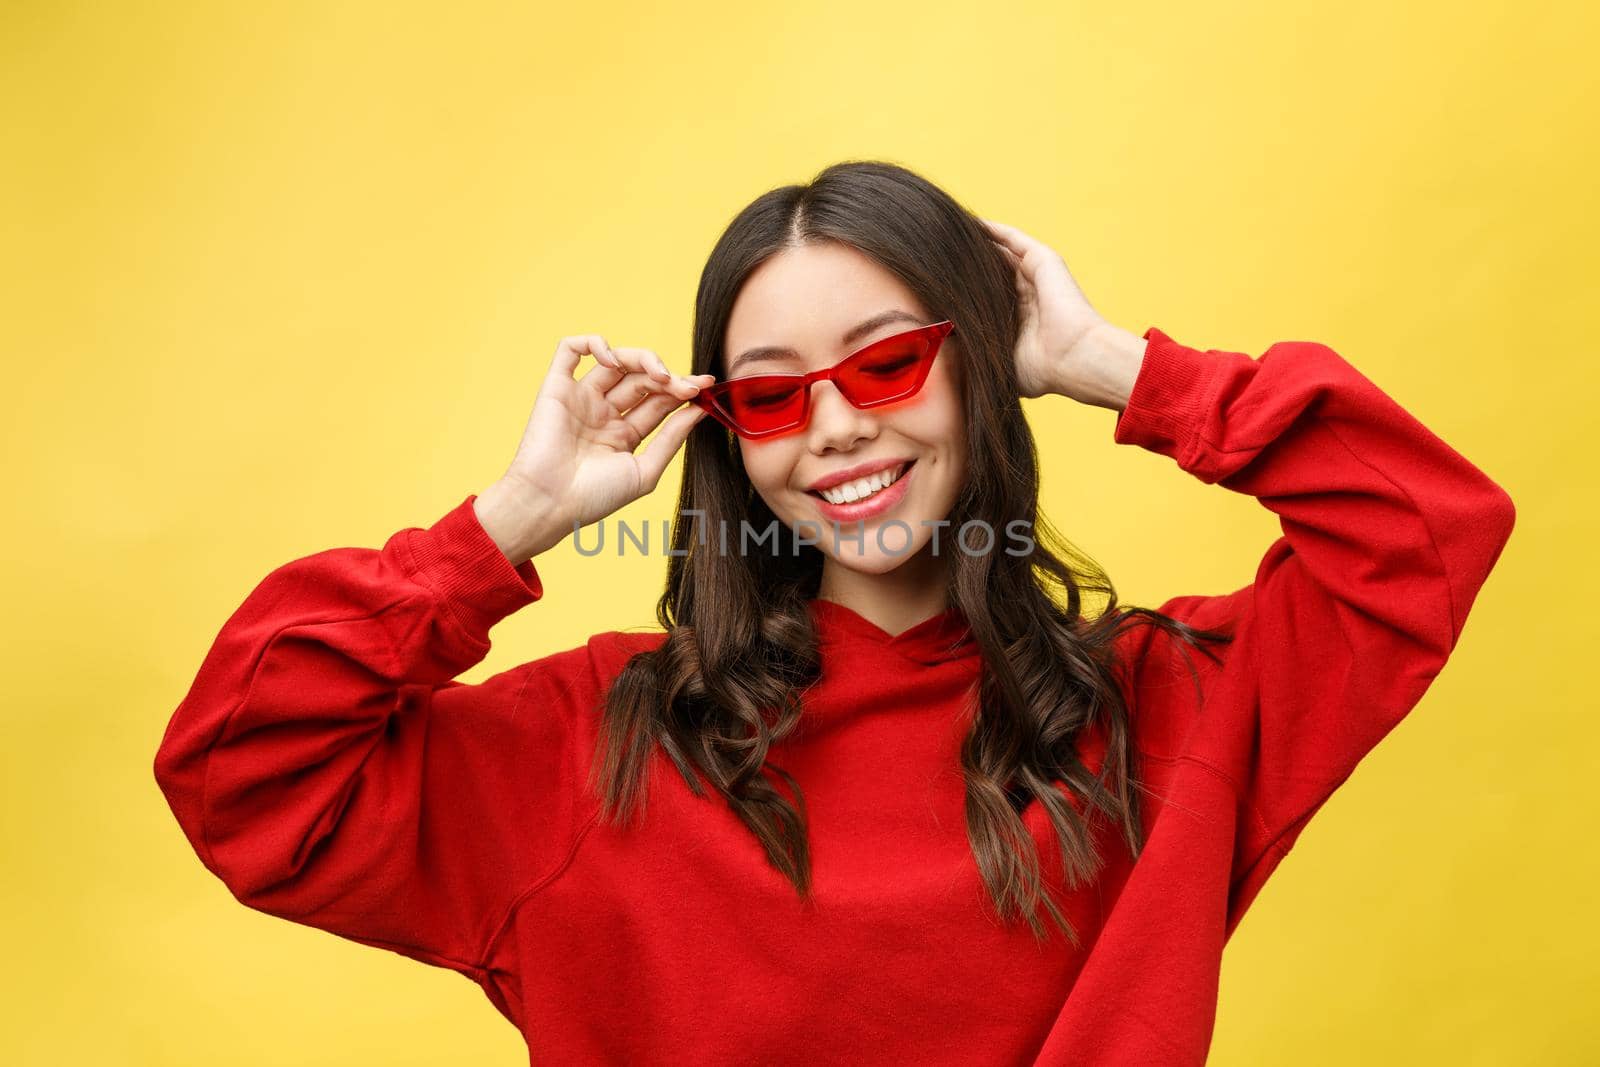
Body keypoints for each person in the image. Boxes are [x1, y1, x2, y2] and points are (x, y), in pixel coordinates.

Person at [153, 160, 1516, 1065]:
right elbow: (244, 769)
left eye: (890, 362)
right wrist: (506, 524)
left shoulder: (1166, 707)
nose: (835, 428)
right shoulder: (596, 744)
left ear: (978, 370)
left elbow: (1422, 528)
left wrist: (1112, 365)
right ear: (725, 434)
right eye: (768, 391)